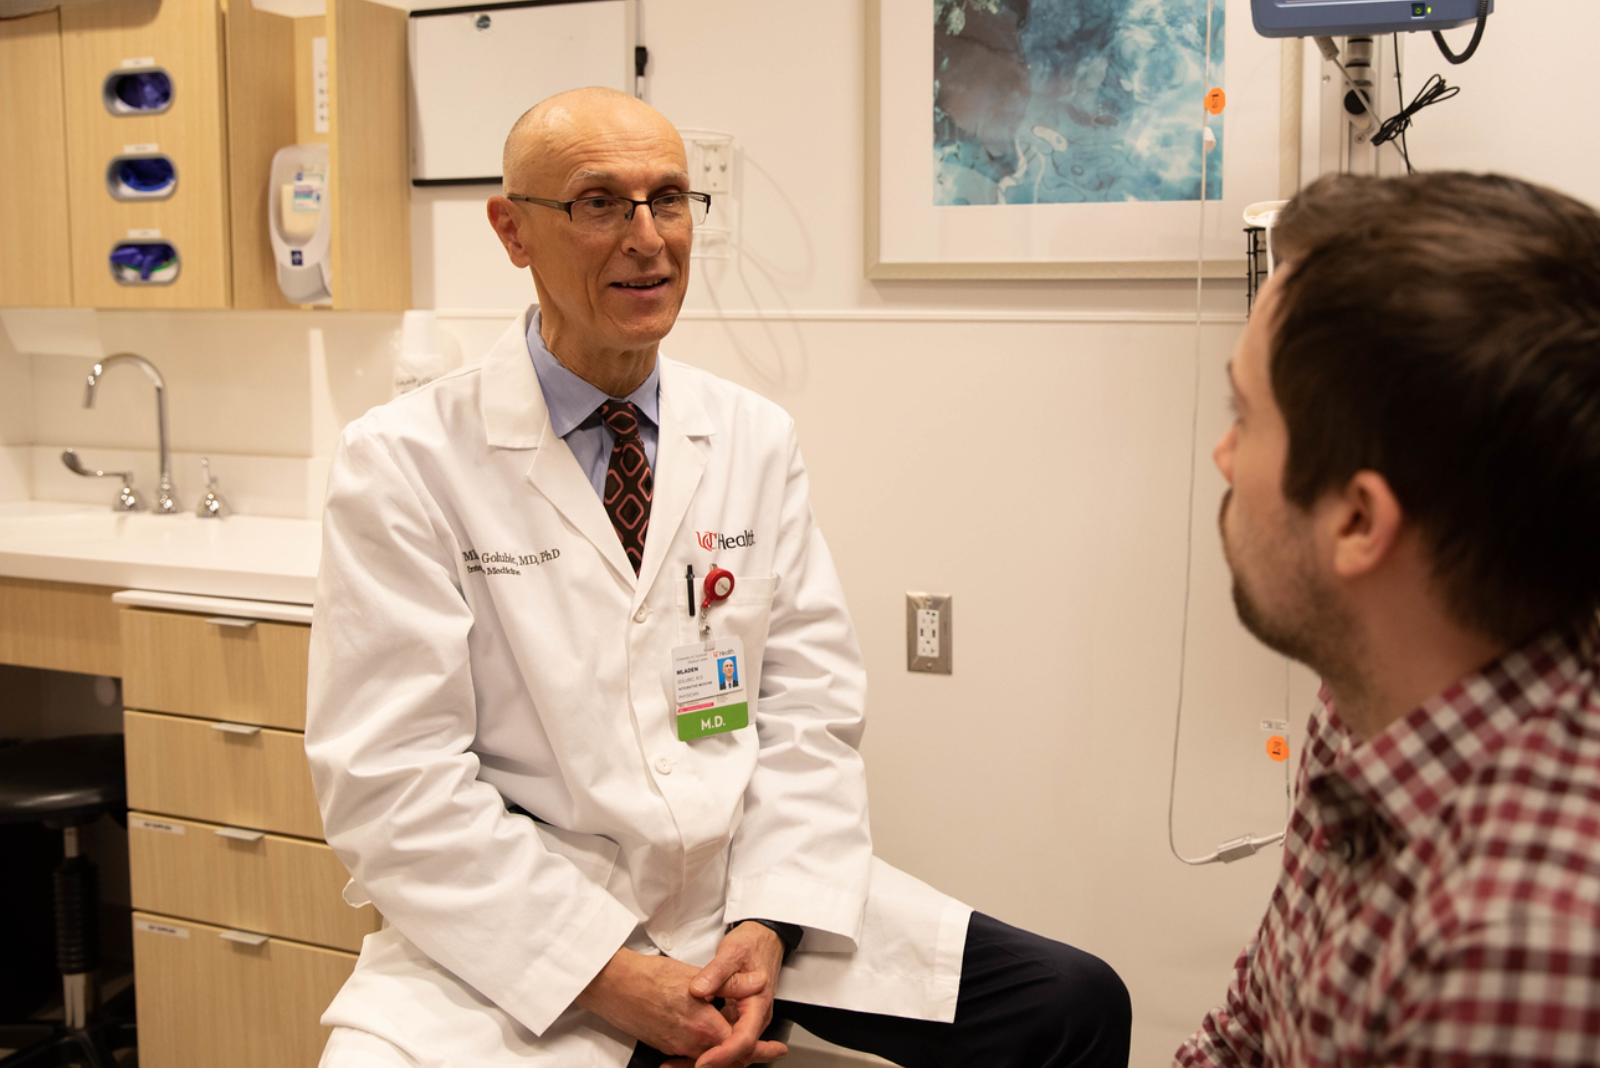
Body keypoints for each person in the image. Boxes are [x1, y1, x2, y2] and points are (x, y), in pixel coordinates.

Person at [306, 87, 1129, 1068]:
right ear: (512, 231)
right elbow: (394, 786)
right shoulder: (404, 461)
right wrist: (610, 974)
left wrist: (768, 921)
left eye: (670, 199)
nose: (648, 238)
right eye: (599, 203)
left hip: (743, 894)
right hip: (532, 920)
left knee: (1073, 1003)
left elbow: (807, 703)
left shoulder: (749, 437)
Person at [1176, 172, 1600, 1067]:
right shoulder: (1367, 698)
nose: (1221, 455)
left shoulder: (1514, 951)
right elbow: (1250, 1031)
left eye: (1243, 417)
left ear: (1360, 523)